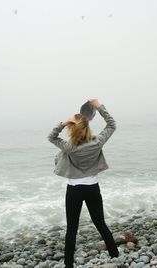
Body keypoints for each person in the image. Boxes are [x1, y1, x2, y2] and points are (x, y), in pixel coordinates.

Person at [47, 98, 119, 268]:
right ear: (88, 127)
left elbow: (51, 136)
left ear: (72, 130)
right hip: (92, 188)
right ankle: (114, 253)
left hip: (74, 190)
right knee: (100, 222)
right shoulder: (97, 142)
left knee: (72, 228)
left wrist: (64, 123)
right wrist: (99, 106)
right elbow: (111, 125)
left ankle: (68, 264)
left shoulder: (69, 147)